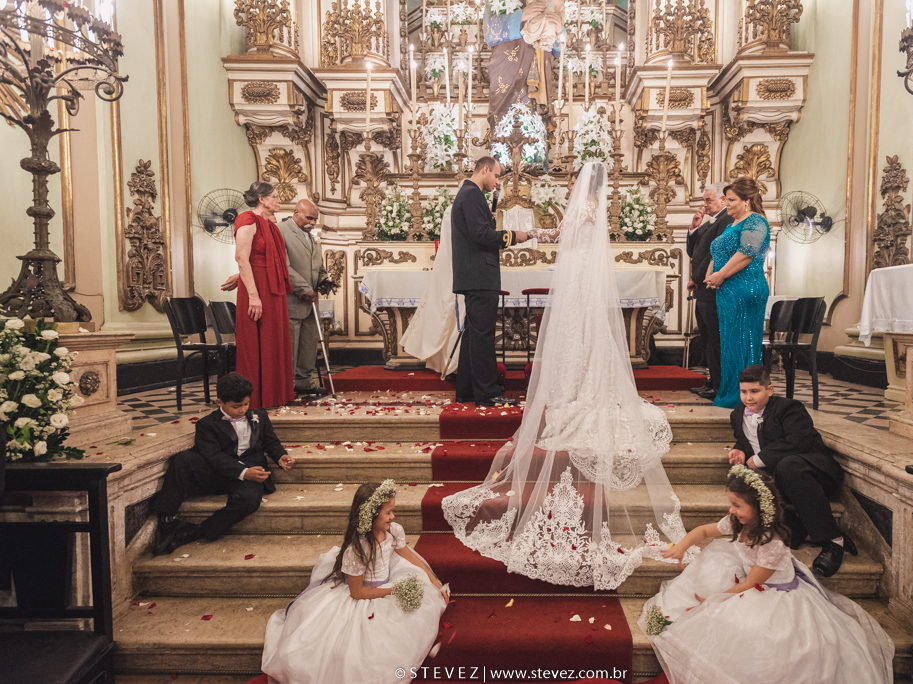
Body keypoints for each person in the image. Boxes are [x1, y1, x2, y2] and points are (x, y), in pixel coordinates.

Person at [442, 162, 697, 591]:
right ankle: (506, 387)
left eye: (575, 180)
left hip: (575, 275)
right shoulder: (477, 196)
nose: (571, 185)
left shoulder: (584, 207)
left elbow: (564, 236)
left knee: (572, 334)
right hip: (562, 275)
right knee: (572, 334)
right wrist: (533, 234)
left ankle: (535, 387)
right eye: (498, 175)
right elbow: (509, 236)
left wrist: (540, 234)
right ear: (487, 169)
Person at [641, 465, 894, 684]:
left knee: (745, 628)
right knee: (714, 568)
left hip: (772, 591)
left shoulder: (772, 543)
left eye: (737, 505)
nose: (732, 510)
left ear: (760, 508)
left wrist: (714, 600)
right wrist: (681, 547)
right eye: (731, 503)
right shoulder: (738, 522)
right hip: (749, 576)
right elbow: (705, 531)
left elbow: (751, 584)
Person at [262, 480, 448, 684]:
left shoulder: (393, 530)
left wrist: (435, 582)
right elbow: (357, 593)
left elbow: (409, 556)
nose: (392, 516)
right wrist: (393, 591)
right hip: (365, 593)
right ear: (371, 515)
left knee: (417, 608)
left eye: (392, 511)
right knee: (361, 650)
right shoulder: (357, 550)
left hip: (388, 581)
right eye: (388, 512)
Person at [727, 364, 853, 576]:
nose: (748, 398)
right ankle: (804, 533)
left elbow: (798, 441)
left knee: (787, 467)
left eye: (755, 391)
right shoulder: (738, 412)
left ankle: (834, 540)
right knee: (748, 484)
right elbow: (743, 439)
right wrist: (739, 450)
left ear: (770, 389)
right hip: (778, 478)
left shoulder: (790, 408)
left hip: (811, 474)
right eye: (744, 392)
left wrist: (757, 460)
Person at [151, 373, 294, 555]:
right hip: (219, 473)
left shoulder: (260, 417)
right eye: (236, 406)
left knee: (249, 500)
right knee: (184, 459)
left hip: (251, 474)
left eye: (246, 404)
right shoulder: (206, 424)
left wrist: (281, 456)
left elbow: (270, 442)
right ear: (219, 402)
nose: (243, 410)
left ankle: (199, 531)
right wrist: (243, 471)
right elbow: (213, 456)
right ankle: (166, 519)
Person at [450, 157, 528, 406]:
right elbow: (481, 235)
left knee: (474, 334)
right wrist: (513, 236)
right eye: (496, 175)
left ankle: (467, 390)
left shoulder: (468, 193)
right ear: (484, 170)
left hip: (473, 274)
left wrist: (490, 221)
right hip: (480, 275)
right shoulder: (472, 195)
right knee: (482, 336)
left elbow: (478, 231)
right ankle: (488, 393)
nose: (496, 182)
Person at [706, 177, 770, 409]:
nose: (727, 204)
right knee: (730, 342)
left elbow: (747, 253)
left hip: (746, 288)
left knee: (743, 342)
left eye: (731, 200)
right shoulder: (734, 223)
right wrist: (711, 272)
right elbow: (720, 251)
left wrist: (721, 275)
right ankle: (732, 391)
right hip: (728, 290)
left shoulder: (756, 220)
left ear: (747, 201)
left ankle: (747, 395)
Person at [233, 182, 294, 409]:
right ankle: (256, 397)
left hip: (270, 285)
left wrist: (239, 277)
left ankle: (273, 394)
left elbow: (266, 259)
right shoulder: (247, 219)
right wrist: (253, 295)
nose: (279, 201)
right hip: (257, 289)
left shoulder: (270, 225)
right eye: (275, 196)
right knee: (256, 341)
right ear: (261, 198)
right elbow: (242, 258)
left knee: (273, 338)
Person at [401, 181, 467, 374]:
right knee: (452, 312)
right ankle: (450, 362)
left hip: (451, 266)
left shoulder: (451, 210)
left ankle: (450, 361)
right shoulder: (454, 211)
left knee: (453, 313)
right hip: (455, 267)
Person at [279, 199, 331, 395]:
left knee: (309, 343)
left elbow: (318, 266)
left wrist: (324, 280)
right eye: (309, 218)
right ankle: (287, 384)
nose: (313, 222)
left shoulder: (313, 237)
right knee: (291, 346)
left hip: (311, 301)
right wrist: (304, 289)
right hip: (292, 299)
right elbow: (284, 266)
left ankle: (304, 381)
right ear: (296, 213)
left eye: (315, 219)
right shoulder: (281, 231)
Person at [686, 182, 730, 400]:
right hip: (704, 288)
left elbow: (713, 256)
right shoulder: (710, 221)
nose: (705, 205)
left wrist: (696, 278)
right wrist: (694, 227)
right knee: (706, 337)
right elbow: (693, 251)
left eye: (708, 200)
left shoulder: (727, 219)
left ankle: (720, 384)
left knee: (715, 338)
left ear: (723, 199)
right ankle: (713, 381)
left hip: (712, 287)